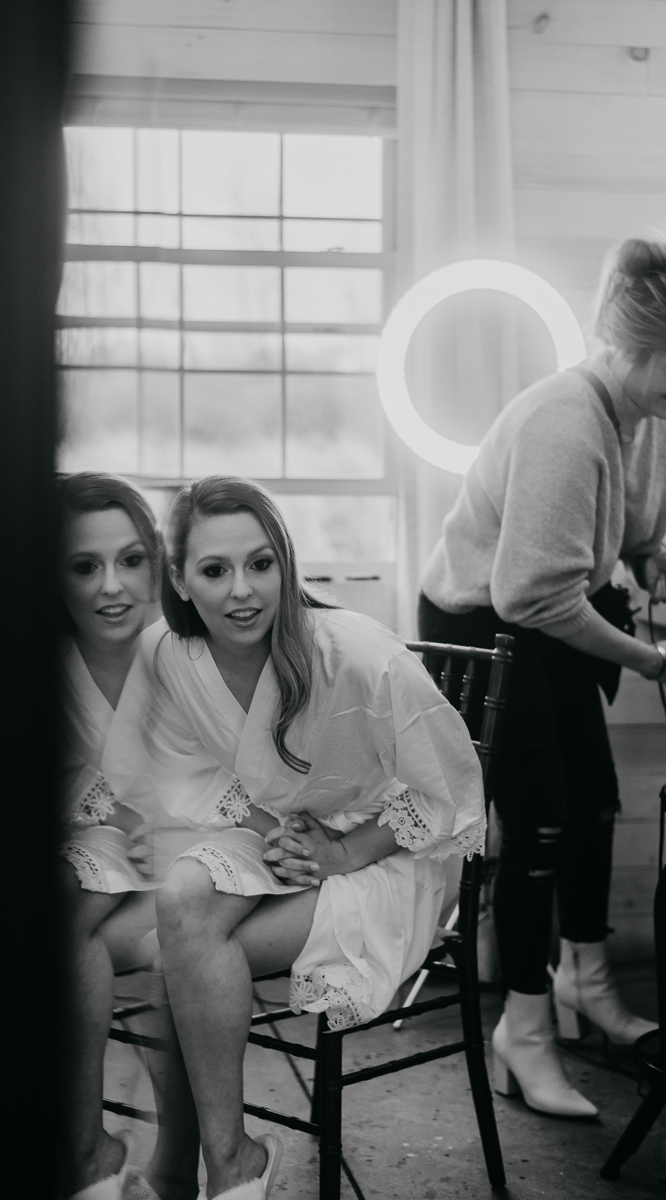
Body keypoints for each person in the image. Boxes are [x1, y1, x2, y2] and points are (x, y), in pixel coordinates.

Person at [125, 475, 486, 1200]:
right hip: (274, 834)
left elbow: (453, 789)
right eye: (215, 570)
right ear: (179, 578)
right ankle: (231, 1165)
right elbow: (189, 774)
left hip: (387, 854)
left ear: (287, 563)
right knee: (185, 898)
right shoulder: (171, 654)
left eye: (261, 564)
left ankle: (195, 1168)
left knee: (182, 945)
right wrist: (280, 834)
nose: (243, 592)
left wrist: (343, 853)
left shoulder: (358, 656)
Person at [418, 235, 666, 1118]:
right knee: (540, 823)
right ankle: (522, 1033)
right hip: (486, 623)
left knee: (596, 800)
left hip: (547, 614)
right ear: (637, 347)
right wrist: (649, 660)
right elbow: (529, 593)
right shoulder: (568, 421)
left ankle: (586, 985)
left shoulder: (639, 415)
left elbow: (629, 535)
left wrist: (651, 563)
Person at [57, 473, 181, 1200]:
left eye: (131, 560)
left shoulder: (187, 649)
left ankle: (89, 1156)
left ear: (156, 562)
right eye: (84, 566)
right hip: (102, 844)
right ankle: (88, 1151)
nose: (113, 587)